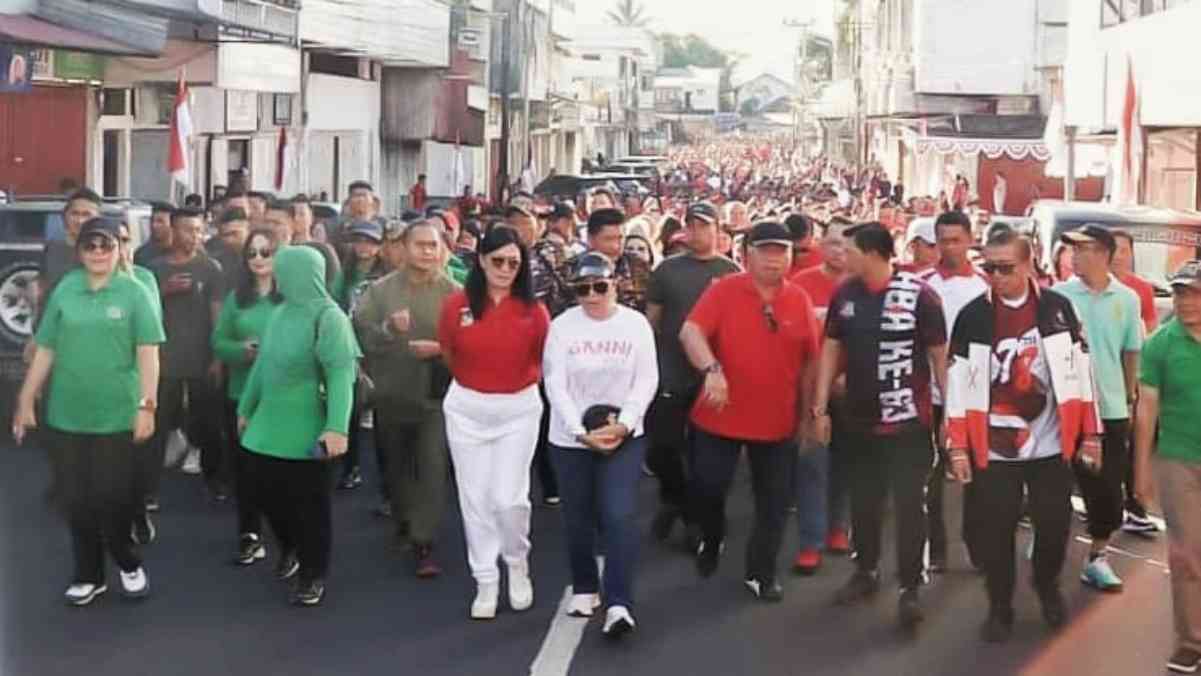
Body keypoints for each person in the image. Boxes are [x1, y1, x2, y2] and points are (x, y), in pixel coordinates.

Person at [945, 227, 1103, 642]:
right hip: (994, 451)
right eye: (989, 267)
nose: (995, 276)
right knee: (995, 532)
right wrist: (957, 446)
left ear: (1029, 263)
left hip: (1050, 445)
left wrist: (1092, 434)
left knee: (1054, 526)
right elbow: (957, 382)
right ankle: (999, 607)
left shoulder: (1057, 309)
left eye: (1005, 267)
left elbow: (1082, 372)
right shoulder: (973, 316)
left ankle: (1046, 584)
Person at [13, 216, 164, 605]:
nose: (98, 252)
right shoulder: (66, 288)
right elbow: (47, 348)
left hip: (116, 417)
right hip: (67, 416)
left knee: (111, 499)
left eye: (106, 245)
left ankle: (128, 563)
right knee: (75, 500)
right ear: (79, 251)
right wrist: (25, 400)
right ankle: (88, 575)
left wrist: (147, 405)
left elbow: (149, 354)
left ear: (118, 248)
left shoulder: (134, 292)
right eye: (90, 245)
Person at [814, 221, 947, 628]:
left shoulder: (920, 297)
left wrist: (952, 417)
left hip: (909, 425)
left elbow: (940, 358)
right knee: (864, 503)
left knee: (911, 507)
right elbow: (831, 350)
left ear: (873, 253)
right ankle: (865, 570)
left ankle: (910, 588)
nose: (842, 256)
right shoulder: (845, 295)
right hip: (859, 421)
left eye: (849, 249)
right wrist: (819, 409)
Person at [680, 221, 820, 603]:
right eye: (767, 251)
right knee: (708, 487)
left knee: (774, 502)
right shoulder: (725, 289)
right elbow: (690, 332)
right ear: (747, 254)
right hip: (719, 414)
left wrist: (810, 412)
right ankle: (712, 536)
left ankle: (761, 572)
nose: (775, 259)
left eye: (783, 251)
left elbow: (811, 358)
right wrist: (712, 369)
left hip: (777, 421)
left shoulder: (798, 299)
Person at [236, 246, 361, 606]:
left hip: (309, 424)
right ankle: (289, 546)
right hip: (268, 423)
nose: (277, 276)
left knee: (311, 504)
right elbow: (262, 366)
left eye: (283, 270)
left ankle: (312, 572)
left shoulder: (329, 317)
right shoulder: (280, 313)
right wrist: (246, 405)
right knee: (266, 492)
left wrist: (336, 427)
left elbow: (341, 376)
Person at [543, 252, 658, 637]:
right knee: (577, 515)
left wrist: (624, 425)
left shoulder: (635, 325)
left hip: (623, 434)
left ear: (615, 285)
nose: (592, 296)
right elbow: (555, 383)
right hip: (570, 437)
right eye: (582, 289)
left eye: (600, 287)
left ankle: (620, 603)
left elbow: (646, 380)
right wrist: (579, 431)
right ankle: (585, 586)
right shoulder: (561, 327)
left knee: (618, 514)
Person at [438, 227, 549, 619]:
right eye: (498, 260)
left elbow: (540, 359)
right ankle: (485, 579)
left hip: (518, 409)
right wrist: (477, 388)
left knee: (510, 498)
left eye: (514, 263)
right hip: (468, 409)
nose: (505, 269)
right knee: (475, 499)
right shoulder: (455, 306)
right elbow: (449, 354)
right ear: (481, 260)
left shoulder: (534, 312)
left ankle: (517, 563)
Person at [355, 220, 459, 578]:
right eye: (420, 245)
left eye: (433, 245)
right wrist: (387, 330)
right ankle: (404, 521)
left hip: (436, 399)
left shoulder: (454, 293)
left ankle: (424, 540)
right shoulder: (380, 291)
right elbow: (359, 334)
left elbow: (471, 346)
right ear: (404, 248)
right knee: (396, 472)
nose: (427, 252)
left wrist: (440, 350)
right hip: (391, 395)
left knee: (431, 468)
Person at [644, 201, 739, 549]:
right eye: (691, 225)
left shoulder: (731, 271)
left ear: (718, 230)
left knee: (706, 457)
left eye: (704, 225)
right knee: (663, 450)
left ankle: (698, 523)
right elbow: (651, 320)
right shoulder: (667, 270)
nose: (696, 232)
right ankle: (675, 499)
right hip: (671, 370)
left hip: (713, 373)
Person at [1054, 224, 1143, 592]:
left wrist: (1126, 398)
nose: (1074, 256)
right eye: (1071, 249)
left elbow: (1131, 352)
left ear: (1105, 254)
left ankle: (1097, 556)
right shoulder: (1058, 296)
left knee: (1107, 490)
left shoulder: (1127, 299)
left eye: (1083, 249)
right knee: (1054, 483)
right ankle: (1048, 542)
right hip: (1064, 409)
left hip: (1108, 409)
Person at [1133, 260, 1201, 674]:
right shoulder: (1160, 344)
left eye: (1194, 293)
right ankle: (1191, 640)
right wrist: (1141, 471)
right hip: (1179, 460)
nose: (1186, 301)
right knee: (1187, 555)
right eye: (1179, 293)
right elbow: (1147, 410)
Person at [916, 210, 989, 572]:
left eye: (956, 240)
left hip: (974, 398)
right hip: (928, 397)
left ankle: (976, 545)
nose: (949, 247)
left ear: (971, 240)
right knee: (929, 478)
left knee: (976, 476)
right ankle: (937, 550)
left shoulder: (986, 287)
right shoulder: (921, 284)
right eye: (943, 240)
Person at [211, 228, 284, 566]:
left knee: (279, 471)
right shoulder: (236, 298)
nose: (258, 259)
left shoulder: (292, 298)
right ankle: (249, 532)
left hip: (285, 398)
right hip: (241, 394)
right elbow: (218, 342)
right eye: (252, 253)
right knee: (244, 469)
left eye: (265, 252)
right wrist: (242, 350)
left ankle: (286, 532)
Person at [788, 219, 854, 574]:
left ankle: (838, 528)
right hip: (812, 389)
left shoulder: (864, 287)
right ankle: (810, 542)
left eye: (845, 245)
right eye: (831, 243)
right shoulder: (801, 285)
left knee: (845, 462)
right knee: (812, 463)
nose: (838, 251)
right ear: (820, 245)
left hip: (852, 390)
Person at [149, 206, 226, 499]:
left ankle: (214, 481)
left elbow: (218, 316)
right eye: (187, 229)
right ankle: (148, 490)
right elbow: (143, 312)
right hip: (163, 361)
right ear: (172, 229)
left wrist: (218, 357)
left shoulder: (211, 269)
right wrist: (164, 290)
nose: (194, 236)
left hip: (201, 360)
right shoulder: (154, 268)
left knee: (208, 424)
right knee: (156, 428)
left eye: (198, 230)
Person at [584, 208, 651, 313]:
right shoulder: (571, 271)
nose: (616, 246)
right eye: (608, 239)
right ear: (590, 239)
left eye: (620, 238)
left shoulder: (639, 266)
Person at [134, 202, 174, 268]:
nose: (154, 225)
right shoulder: (141, 255)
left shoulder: (180, 252)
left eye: (160, 221)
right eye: (152, 220)